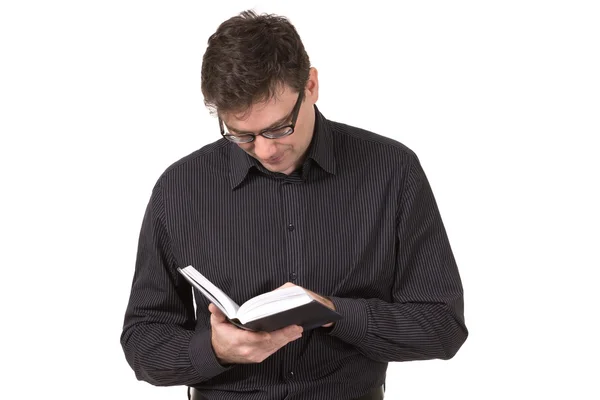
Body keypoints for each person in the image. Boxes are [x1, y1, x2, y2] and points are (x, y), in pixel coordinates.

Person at [120, 9, 468, 400]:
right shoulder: (179, 188)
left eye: (279, 127)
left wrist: (336, 314)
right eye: (242, 136)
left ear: (312, 85)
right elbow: (142, 341)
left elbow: (442, 326)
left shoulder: (392, 170)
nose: (266, 150)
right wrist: (214, 350)